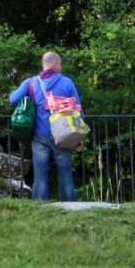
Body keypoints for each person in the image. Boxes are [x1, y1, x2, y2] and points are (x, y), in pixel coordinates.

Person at [9, 51, 85, 201]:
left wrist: (29, 99)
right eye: (60, 64)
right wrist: (78, 135)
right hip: (63, 135)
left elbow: (12, 99)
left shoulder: (31, 83)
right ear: (55, 64)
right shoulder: (67, 82)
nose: (61, 67)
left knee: (40, 174)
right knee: (65, 173)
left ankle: (39, 206)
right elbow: (78, 109)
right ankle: (70, 206)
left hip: (40, 135)